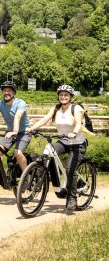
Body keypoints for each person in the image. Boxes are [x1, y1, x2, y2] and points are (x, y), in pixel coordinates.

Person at [26, 84, 87, 212]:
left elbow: (78, 123)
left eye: (66, 95)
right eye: (61, 95)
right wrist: (32, 128)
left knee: (70, 170)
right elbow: (45, 119)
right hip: (64, 141)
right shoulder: (56, 108)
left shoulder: (76, 108)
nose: (63, 97)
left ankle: (72, 198)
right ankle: (45, 178)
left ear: (70, 97)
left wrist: (74, 133)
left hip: (77, 143)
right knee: (46, 154)